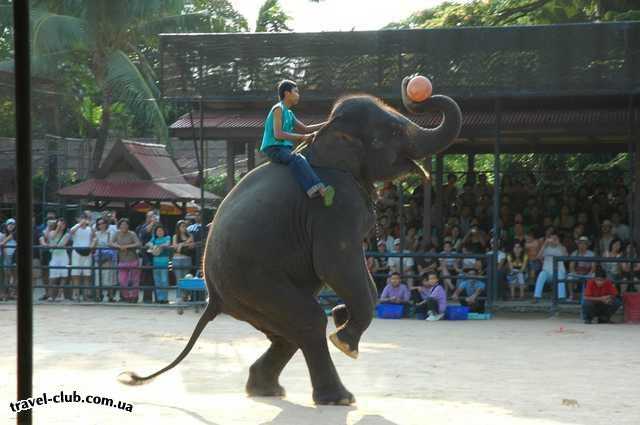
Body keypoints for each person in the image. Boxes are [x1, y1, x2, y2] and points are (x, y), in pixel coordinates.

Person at [259, 79, 335, 207]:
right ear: (287, 93)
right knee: (297, 158)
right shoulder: (278, 109)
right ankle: (320, 191)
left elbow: (305, 128)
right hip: (274, 149)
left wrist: (328, 124)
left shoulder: (289, 112)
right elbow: (278, 134)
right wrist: (303, 137)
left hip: (284, 149)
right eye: (296, 91)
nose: (298, 95)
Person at [111, 218, 142, 303]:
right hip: (122, 260)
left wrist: (127, 246)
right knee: (122, 281)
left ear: (128, 226)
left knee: (134, 280)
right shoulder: (116, 234)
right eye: (122, 225)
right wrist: (118, 246)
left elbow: (138, 243)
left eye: (125, 225)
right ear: (119, 226)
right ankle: (126, 296)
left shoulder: (132, 234)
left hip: (133, 259)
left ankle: (134, 296)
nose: (124, 226)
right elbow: (110, 243)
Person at [532, 231, 567, 303]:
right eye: (552, 238)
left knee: (560, 275)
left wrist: (558, 244)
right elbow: (538, 257)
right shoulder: (546, 248)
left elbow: (566, 257)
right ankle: (536, 297)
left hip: (558, 272)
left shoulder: (562, 247)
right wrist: (545, 244)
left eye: (555, 238)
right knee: (541, 275)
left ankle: (561, 297)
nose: (553, 240)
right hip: (547, 272)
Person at [69, 213, 95, 301]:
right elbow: (71, 232)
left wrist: (90, 225)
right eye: (81, 218)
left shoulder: (89, 228)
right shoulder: (75, 227)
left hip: (87, 252)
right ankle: (76, 295)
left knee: (87, 275)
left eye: (85, 218)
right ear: (78, 219)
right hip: (76, 252)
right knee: (76, 274)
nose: (84, 219)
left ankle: (86, 295)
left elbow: (94, 237)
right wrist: (80, 224)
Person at [92, 217, 117, 302]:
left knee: (108, 276)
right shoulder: (96, 233)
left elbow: (112, 245)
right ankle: (98, 296)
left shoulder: (110, 233)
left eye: (103, 223)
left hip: (108, 257)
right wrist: (94, 243)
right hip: (98, 257)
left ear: (106, 224)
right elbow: (92, 247)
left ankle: (110, 296)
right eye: (99, 224)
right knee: (98, 277)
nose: (101, 225)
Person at [146, 224, 172, 304]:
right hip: (155, 262)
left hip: (164, 261)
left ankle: (165, 298)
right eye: (158, 231)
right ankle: (159, 298)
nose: (160, 232)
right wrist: (153, 246)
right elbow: (148, 244)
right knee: (157, 281)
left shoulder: (167, 237)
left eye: (161, 230)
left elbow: (167, 244)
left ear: (164, 231)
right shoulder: (154, 238)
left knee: (164, 280)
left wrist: (158, 246)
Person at [46, 218, 70, 302]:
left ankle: (59, 295)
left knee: (63, 276)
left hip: (63, 256)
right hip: (54, 256)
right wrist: (57, 228)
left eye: (63, 224)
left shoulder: (67, 234)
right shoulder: (52, 232)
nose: (61, 226)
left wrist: (52, 245)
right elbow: (52, 237)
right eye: (60, 224)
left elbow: (62, 244)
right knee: (52, 277)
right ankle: (50, 295)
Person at [136, 211, 158, 303]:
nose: (152, 218)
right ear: (147, 218)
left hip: (157, 254)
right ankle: (147, 298)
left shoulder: (158, 227)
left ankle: (159, 299)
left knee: (157, 277)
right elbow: (145, 232)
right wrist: (152, 223)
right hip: (146, 256)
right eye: (150, 217)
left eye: (154, 217)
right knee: (147, 277)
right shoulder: (142, 227)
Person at [566, 236, 595, 301]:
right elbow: (571, 266)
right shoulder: (574, 253)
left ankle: (589, 296)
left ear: (587, 245)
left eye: (584, 243)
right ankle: (571, 295)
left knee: (593, 276)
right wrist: (575, 274)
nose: (582, 245)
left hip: (587, 273)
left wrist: (589, 274)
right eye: (580, 243)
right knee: (569, 277)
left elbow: (593, 267)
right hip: (577, 272)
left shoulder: (591, 254)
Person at [0, 218, 17, 300]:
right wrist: (5, 255)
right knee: (6, 276)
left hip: (15, 257)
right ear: (6, 225)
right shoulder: (2, 235)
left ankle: (11, 293)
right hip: (5, 257)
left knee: (14, 276)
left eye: (13, 224)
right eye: (9, 224)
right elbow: (2, 246)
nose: (11, 226)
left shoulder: (17, 234)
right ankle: (4, 294)